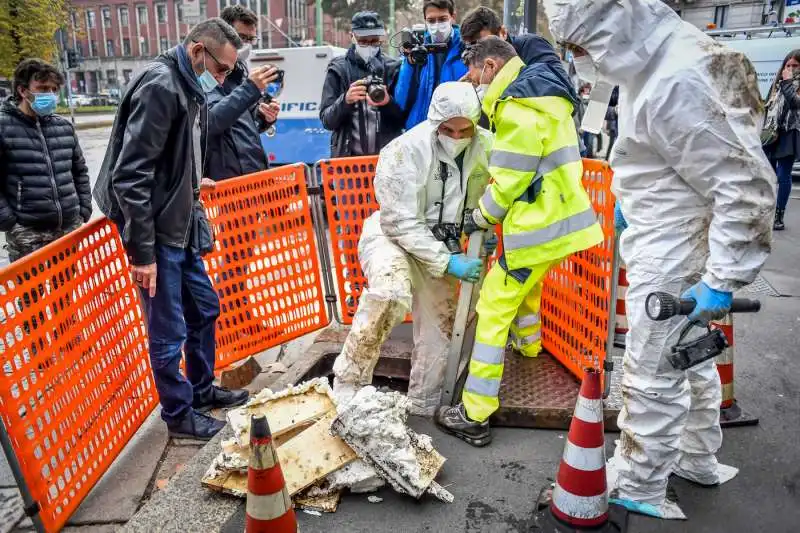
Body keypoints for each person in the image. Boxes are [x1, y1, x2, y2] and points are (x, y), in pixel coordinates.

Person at [546, 0, 775, 519]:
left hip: (674, 248)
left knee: (650, 371)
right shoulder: (649, 64)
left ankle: (639, 481)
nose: (583, 59)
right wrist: (634, 196)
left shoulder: (676, 78)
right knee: (690, 359)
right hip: (668, 232)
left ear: (609, 27)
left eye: (583, 46)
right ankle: (696, 456)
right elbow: (659, 150)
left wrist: (723, 278)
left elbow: (745, 185)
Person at [435, 37, 604, 446]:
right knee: (527, 288)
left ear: (491, 66)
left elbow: (510, 179)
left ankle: (474, 413)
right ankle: (529, 347)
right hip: (561, 219)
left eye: (474, 73)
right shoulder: (545, 94)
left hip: (538, 225)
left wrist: (478, 217)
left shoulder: (516, 106)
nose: (471, 81)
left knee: (494, 304)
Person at [94, 19, 250, 440]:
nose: (224, 79)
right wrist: (142, 254)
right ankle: (179, 414)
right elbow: (130, 176)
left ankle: (201, 392)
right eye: (222, 69)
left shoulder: (187, 84)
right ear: (198, 50)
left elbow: (172, 154)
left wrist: (192, 181)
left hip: (178, 223)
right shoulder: (162, 85)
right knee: (167, 332)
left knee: (205, 308)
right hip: (158, 234)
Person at [331, 82, 493, 417]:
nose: (457, 136)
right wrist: (447, 261)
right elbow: (399, 222)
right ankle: (347, 386)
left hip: (442, 245)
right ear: (435, 123)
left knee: (444, 325)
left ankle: (423, 405)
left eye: (465, 130)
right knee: (390, 294)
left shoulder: (487, 146)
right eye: (449, 129)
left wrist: (485, 226)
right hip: (392, 237)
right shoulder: (404, 150)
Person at [0, 59, 92, 262]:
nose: (49, 94)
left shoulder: (64, 128)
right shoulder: (3, 127)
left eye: (53, 89)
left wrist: (83, 208)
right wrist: (9, 222)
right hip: (28, 232)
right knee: (32, 292)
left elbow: (79, 171)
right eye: (42, 88)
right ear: (23, 90)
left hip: (68, 228)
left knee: (66, 289)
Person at [203, 5, 281, 183]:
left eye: (250, 39)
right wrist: (250, 88)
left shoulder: (240, 72)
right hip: (225, 182)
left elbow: (243, 125)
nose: (245, 44)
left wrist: (264, 117)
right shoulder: (207, 70)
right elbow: (211, 121)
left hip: (253, 177)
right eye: (241, 37)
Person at [320, 11, 405, 157]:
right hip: (348, 164)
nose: (369, 46)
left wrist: (387, 102)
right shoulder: (338, 69)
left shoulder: (393, 67)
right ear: (351, 36)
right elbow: (327, 121)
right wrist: (345, 100)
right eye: (363, 41)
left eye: (374, 41)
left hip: (386, 162)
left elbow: (404, 119)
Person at [394, 0, 468, 129]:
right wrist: (410, 63)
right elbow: (401, 100)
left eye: (442, 19)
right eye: (431, 21)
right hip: (420, 129)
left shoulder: (466, 47)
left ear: (453, 17)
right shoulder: (417, 47)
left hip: (456, 129)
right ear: (425, 21)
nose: (437, 25)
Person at [763, 49, 800, 231]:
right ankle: (765, 211)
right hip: (771, 131)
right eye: (788, 65)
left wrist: (787, 82)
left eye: (795, 65)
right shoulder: (777, 83)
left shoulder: (792, 83)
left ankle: (779, 215)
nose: (791, 68)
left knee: (783, 175)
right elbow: (767, 104)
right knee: (766, 173)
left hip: (790, 132)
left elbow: (795, 102)